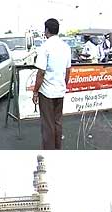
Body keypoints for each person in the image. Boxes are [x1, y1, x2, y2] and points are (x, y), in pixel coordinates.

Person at [32, 18, 71, 150]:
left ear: (47, 30)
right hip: (60, 90)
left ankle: (49, 152)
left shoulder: (45, 47)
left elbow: (41, 73)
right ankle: (57, 148)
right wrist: (63, 85)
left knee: (48, 125)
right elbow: (68, 71)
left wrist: (35, 91)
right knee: (57, 122)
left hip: (47, 92)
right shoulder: (66, 47)